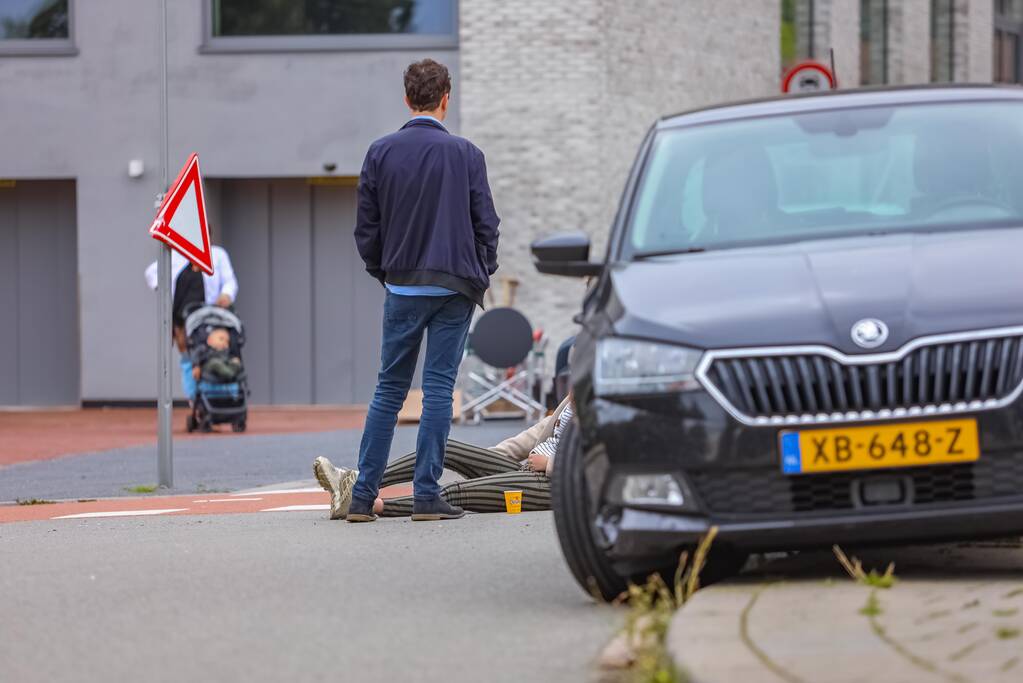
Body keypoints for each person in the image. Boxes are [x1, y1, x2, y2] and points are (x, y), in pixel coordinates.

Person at [347, 58, 500, 523]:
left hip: (403, 286)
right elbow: (486, 224)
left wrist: (385, 272)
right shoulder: (467, 155)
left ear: (407, 98)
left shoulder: (380, 152)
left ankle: (361, 496)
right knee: (438, 388)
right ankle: (426, 494)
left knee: (388, 389)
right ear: (445, 98)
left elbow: (366, 228)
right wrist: (481, 270)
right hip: (455, 286)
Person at [314, 396, 572, 520]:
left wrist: (551, 464)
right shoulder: (576, 396)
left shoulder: (605, 405)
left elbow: (603, 465)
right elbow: (534, 435)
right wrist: (481, 460)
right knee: (443, 449)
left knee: (455, 492)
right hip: (527, 469)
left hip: (555, 482)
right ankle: (358, 484)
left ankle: (371, 506)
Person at [144, 246, 238, 401]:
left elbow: (230, 281)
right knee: (189, 358)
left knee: (215, 355)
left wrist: (226, 294)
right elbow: (151, 273)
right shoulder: (176, 256)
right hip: (183, 318)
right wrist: (165, 291)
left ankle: (218, 398)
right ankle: (195, 400)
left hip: (210, 317)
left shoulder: (218, 255)